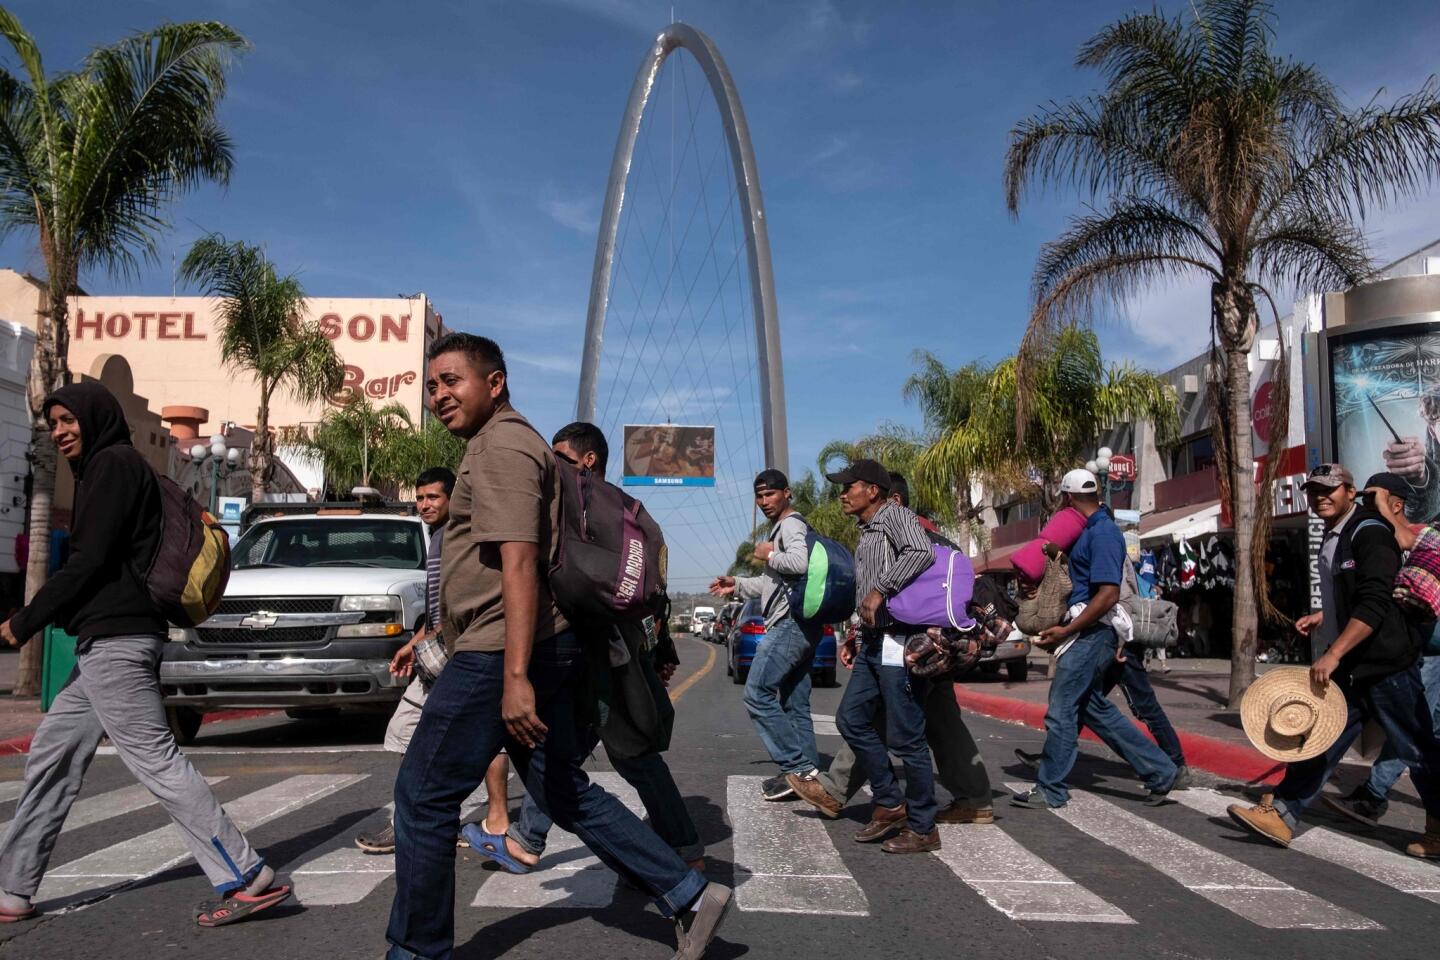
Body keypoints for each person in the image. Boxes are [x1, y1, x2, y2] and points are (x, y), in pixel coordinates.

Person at [385, 334, 729, 960]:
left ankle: (417, 949)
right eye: (432, 384)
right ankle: (687, 893)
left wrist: (515, 675)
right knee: (561, 788)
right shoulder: (507, 444)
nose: (439, 395)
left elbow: (518, 563)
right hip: (523, 643)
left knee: (422, 794)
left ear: (495, 383)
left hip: (501, 649)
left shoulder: (504, 446)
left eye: (452, 381)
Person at [0, 381, 289, 927]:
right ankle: (13, 888)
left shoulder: (112, 467)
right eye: (53, 423)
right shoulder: (108, 469)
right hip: (102, 646)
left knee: (155, 759)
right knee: (52, 754)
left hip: (118, 643)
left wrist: (25, 619)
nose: (61, 432)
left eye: (69, 420)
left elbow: (88, 562)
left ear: (96, 417)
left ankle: (247, 876)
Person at [479, 421, 704, 872]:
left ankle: (682, 852)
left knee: (628, 755)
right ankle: (529, 837)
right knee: (568, 751)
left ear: (588, 460)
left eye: (560, 455)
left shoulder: (582, 511)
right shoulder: (627, 510)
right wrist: (659, 651)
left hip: (594, 650)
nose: (553, 464)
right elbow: (651, 592)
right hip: (611, 649)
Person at [1228, 467, 1440, 858]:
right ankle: (1282, 813)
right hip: (1357, 666)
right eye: (1314, 491)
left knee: (1417, 749)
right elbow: (1357, 597)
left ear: (1350, 492)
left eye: (1329, 490)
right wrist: (1325, 618)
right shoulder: (1338, 536)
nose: (1319, 497)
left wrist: (1334, 652)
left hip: (1385, 664)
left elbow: (1376, 602)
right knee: (1321, 740)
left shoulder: (1370, 532)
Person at [789, 475, 995, 826]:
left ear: (891, 499)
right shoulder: (918, 533)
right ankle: (972, 799)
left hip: (909, 646)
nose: (842, 496)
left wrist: (876, 613)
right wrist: (860, 631)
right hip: (925, 646)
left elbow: (901, 597)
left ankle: (865, 799)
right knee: (939, 721)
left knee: (878, 718)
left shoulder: (910, 534)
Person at [355, 467, 512, 855]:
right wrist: (416, 642)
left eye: (433, 498)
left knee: (417, 730)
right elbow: (441, 608)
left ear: (451, 499)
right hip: (444, 648)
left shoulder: (454, 538)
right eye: (420, 498)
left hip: (457, 652)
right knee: (474, 734)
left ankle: (420, 821)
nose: (424, 505)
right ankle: (474, 819)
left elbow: (459, 606)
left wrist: (430, 641)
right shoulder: (439, 538)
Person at [1011, 468, 1177, 810]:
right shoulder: (1093, 530)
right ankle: (1161, 771)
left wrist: (1067, 630)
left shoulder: (1102, 534)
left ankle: (1051, 789)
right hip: (1092, 633)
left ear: (1067, 498)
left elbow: (1108, 595)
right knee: (1094, 710)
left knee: (1061, 711)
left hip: (1089, 634)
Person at [824, 459, 942, 854]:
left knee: (907, 736)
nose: (843, 493)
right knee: (851, 719)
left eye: (849, 486)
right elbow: (866, 597)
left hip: (900, 640)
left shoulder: (894, 515)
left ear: (872, 490)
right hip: (876, 642)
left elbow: (921, 551)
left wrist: (882, 589)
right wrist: (856, 632)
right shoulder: (868, 529)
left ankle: (924, 826)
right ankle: (891, 802)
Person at [1323, 473, 1440, 827]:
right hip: (1415, 644)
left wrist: (1380, 509)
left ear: (1396, 503)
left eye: (1373, 496)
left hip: (1431, 646)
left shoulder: (1422, 533)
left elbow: (1405, 539)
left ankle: (1376, 797)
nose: (1365, 503)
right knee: (1413, 728)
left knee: (1416, 731)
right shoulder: (1386, 536)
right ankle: (1375, 797)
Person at [709, 469, 822, 801]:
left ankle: (798, 768)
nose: (763, 501)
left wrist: (768, 554)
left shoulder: (790, 525)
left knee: (757, 694)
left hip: (788, 625)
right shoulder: (784, 527)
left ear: (787, 493)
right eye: (759, 496)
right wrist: (738, 584)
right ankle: (807, 772)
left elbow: (798, 563)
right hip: (802, 624)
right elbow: (773, 585)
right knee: (793, 702)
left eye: (770, 494)